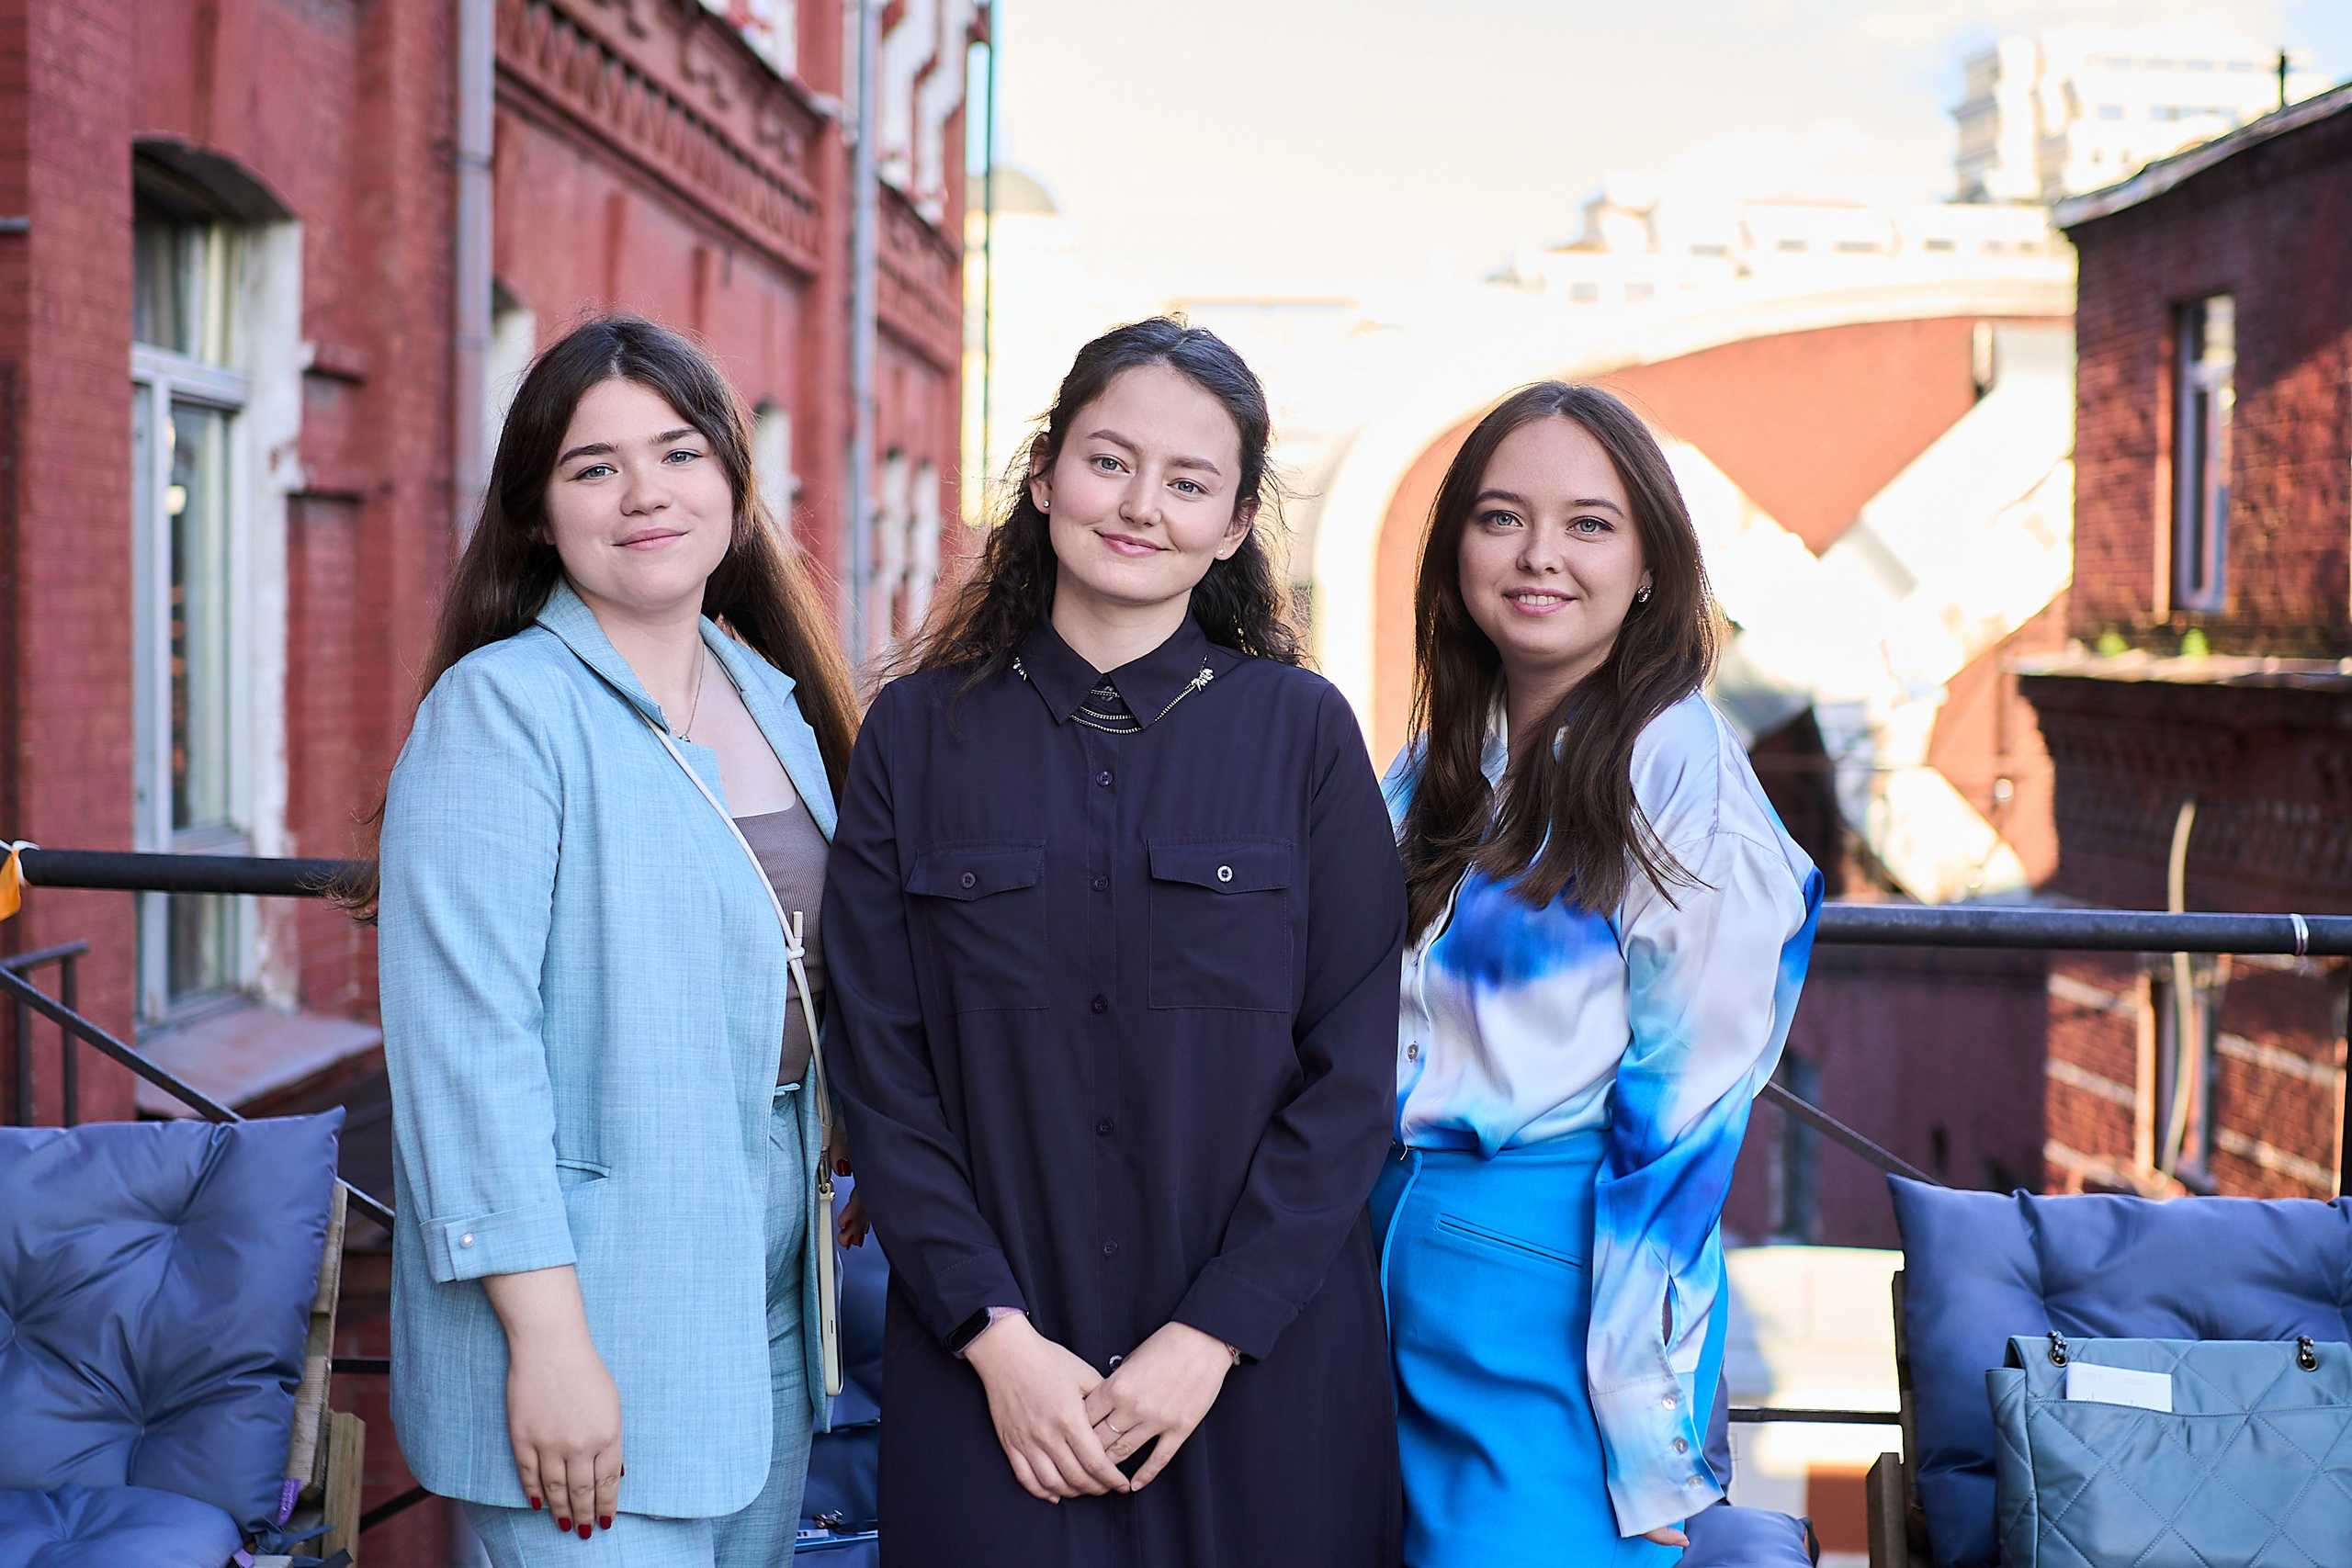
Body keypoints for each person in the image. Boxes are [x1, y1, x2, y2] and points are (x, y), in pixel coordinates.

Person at [822, 318, 1407, 1567]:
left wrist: (1210, 1337)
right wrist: (995, 1339)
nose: (1142, 506)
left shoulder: (1303, 737)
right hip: (991, 1388)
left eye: (1189, 482)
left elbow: (1354, 1074)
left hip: (1260, 1384)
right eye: (1109, 462)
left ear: (1237, 523)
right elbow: (880, 1068)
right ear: (1043, 478)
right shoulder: (917, 736)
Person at [371, 314, 860, 1566]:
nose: (646, 493)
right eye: (594, 468)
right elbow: (465, 1055)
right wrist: (547, 1345)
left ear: (735, 487)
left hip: (762, 1299)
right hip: (584, 1301)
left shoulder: (772, 695)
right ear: (537, 513)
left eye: (681, 454)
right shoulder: (499, 710)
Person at [1375, 382, 1823, 1567]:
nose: (1537, 556)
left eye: (1588, 523)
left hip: (1555, 1283)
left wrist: (1651, 1431)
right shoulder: (1442, 758)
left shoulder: (1686, 785)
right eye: (1500, 517)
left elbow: (1681, 1137)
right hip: (1381, 1256)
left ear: (1649, 564)